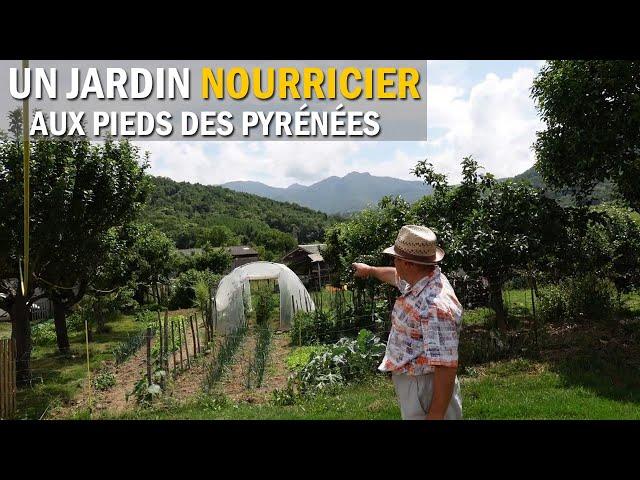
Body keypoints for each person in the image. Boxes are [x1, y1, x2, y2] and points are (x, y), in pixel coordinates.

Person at [352, 225, 463, 420]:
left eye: (396, 259)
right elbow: (393, 276)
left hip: (425, 387)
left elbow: (446, 367)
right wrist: (370, 270)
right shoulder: (422, 279)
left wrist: (435, 415)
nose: (394, 262)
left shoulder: (435, 308)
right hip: (419, 384)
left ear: (409, 264)